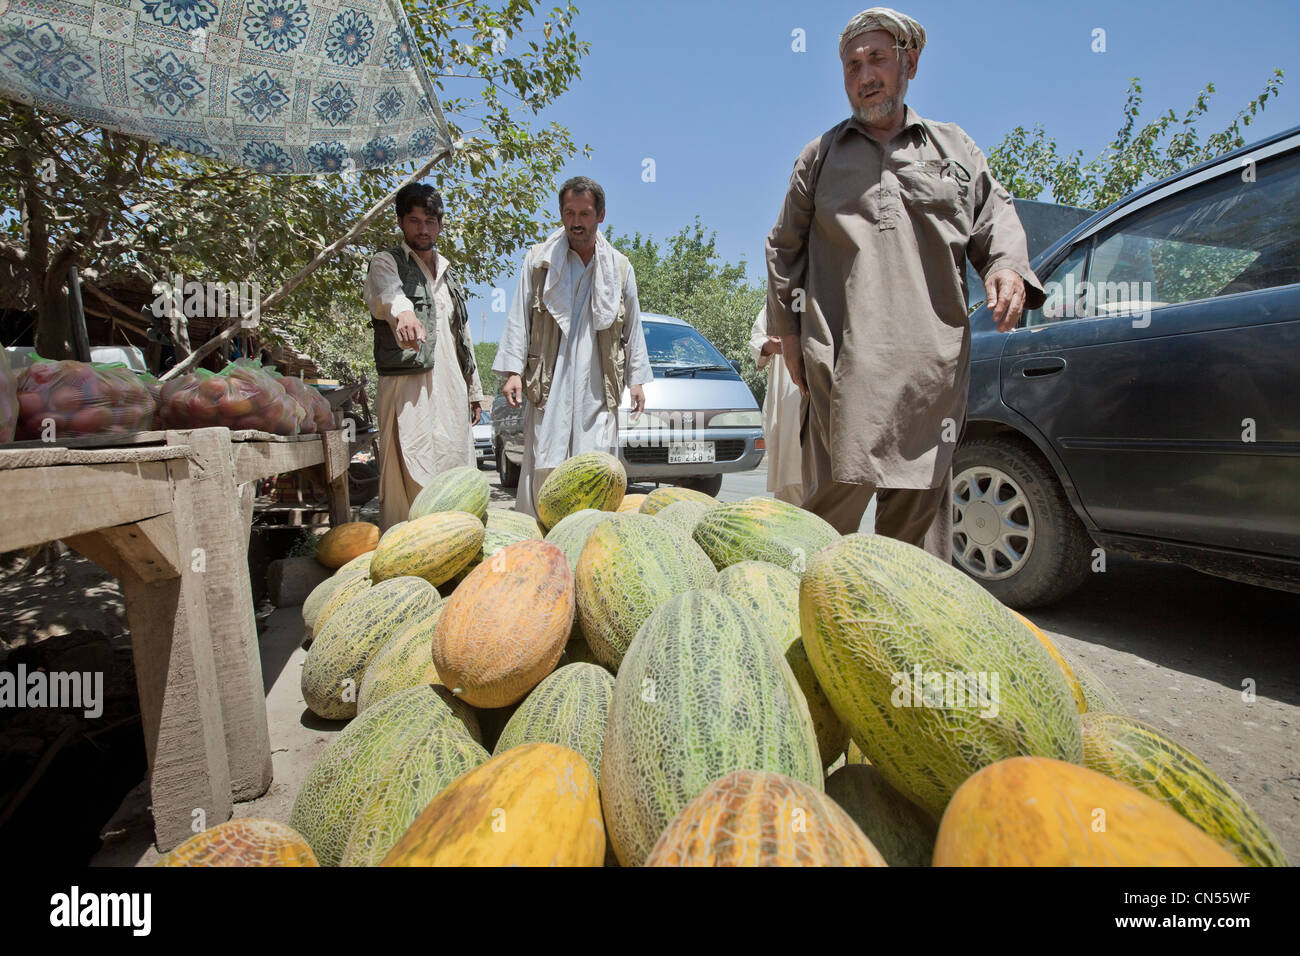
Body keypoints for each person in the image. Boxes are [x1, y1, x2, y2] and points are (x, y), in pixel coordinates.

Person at [765, 7, 1045, 555]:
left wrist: (1007, 264)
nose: (864, 76)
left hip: (931, 361)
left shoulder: (953, 148)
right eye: (851, 66)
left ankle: (901, 617)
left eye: (876, 59)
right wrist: (790, 337)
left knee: (919, 518)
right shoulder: (819, 158)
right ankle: (808, 605)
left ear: (909, 62)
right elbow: (784, 247)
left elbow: (995, 217)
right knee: (836, 503)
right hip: (844, 359)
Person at [493, 176, 652, 519]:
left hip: (598, 382)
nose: (576, 222)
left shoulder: (620, 267)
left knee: (594, 463)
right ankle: (542, 542)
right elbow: (520, 316)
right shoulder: (539, 261)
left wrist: (636, 379)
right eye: (569, 213)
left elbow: (632, 326)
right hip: (551, 378)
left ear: (601, 215)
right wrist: (512, 372)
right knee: (545, 459)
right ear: (561, 214)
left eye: (584, 213)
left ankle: (587, 536)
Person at [364, 183, 485, 530]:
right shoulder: (386, 262)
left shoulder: (449, 275)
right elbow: (390, 295)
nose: (423, 229)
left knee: (453, 464)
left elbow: (462, 335)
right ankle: (409, 553)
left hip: (450, 388)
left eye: (430, 221)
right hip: (407, 389)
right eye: (414, 220)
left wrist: (474, 390)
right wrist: (404, 313)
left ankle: (454, 543)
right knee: (409, 474)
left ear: (440, 225)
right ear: (401, 222)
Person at [748, 307, 803, 505]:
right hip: (789, 391)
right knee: (791, 477)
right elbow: (757, 337)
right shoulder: (783, 298)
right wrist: (769, 346)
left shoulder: (833, 287)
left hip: (828, 387)